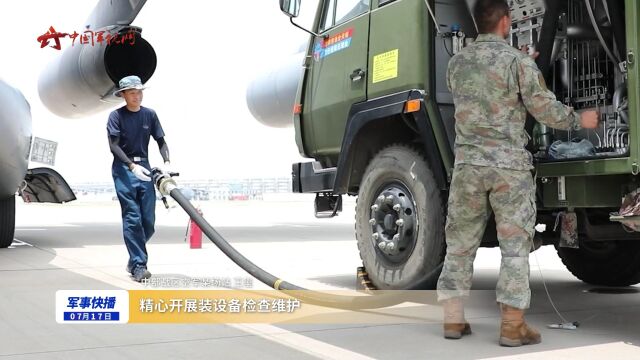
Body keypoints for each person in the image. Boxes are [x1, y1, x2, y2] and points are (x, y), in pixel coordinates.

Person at [436, 0, 599, 346]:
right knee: (514, 247)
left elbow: (478, 93)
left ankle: (452, 321)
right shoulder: (517, 62)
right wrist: (578, 120)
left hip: (467, 167)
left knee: (460, 245)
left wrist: (519, 62)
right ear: (507, 22)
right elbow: (542, 108)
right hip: (508, 170)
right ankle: (512, 325)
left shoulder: (457, 63)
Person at [107, 75, 171, 282]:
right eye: (133, 93)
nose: (137, 96)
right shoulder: (116, 116)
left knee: (148, 221)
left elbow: (161, 140)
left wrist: (168, 162)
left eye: (140, 92)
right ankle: (138, 265)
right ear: (123, 95)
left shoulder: (150, 115)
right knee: (132, 217)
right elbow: (114, 146)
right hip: (124, 169)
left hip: (145, 167)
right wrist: (131, 166)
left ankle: (134, 257)